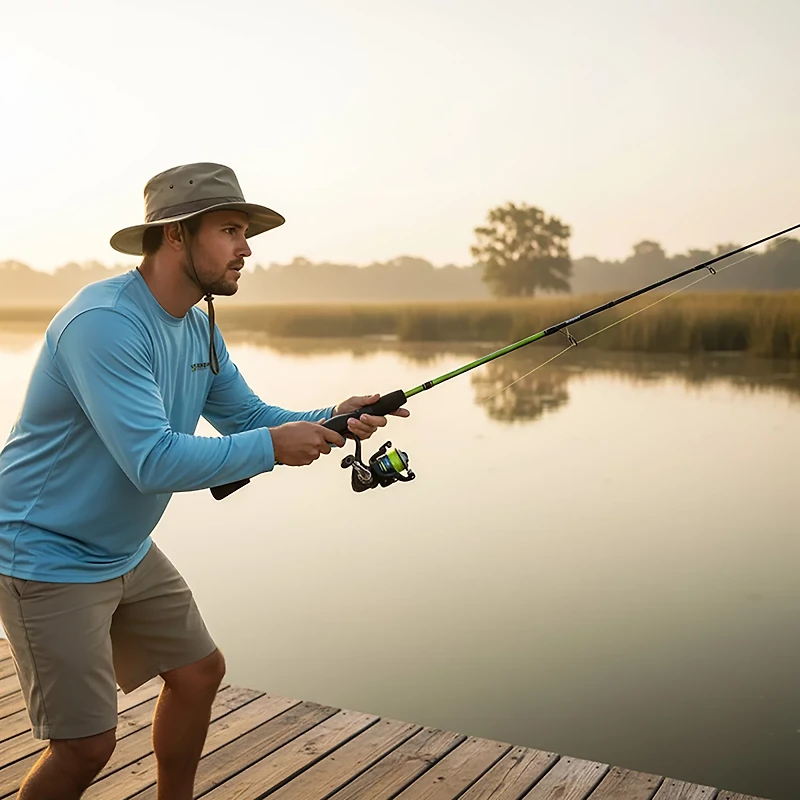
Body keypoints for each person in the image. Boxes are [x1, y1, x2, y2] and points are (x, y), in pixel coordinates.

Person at [0, 162, 409, 799]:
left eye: (246, 232)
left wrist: (332, 417)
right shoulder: (104, 324)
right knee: (84, 748)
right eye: (230, 230)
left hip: (124, 547)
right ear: (174, 236)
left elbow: (244, 415)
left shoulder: (197, 325)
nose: (247, 249)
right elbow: (154, 461)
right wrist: (271, 449)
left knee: (198, 672)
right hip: (46, 553)